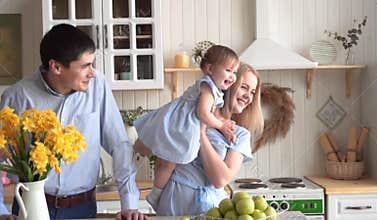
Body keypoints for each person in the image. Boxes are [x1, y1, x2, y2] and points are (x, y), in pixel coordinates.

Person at [0, 24, 145, 220]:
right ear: (56, 67)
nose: (92, 73)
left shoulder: (98, 86)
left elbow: (119, 144)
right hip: (31, 207)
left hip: (83, 207)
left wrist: (129, 204)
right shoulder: (17, 97)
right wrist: (0, 211)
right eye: (85, 66)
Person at [133, 45, 240, 208]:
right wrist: (222, 125)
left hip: (182, 122)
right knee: (168, 161)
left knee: (167, 162)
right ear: (210, 69)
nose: (232, 77)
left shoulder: (214, 88)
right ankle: (155, 193)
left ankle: (156, 193)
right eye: (228, 70)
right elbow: (203, 114)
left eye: (235, 72)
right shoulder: (208, 87)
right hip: (181, 124)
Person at [155, 63, 264, 215]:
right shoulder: (191, 116)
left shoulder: (240, 135)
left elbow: (220, 179)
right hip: (174, 203)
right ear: (229, 84)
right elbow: (163, 159)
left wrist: (201, 133)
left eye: (252, 92)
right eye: (244, 87)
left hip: (211, 208)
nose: (248, 97)